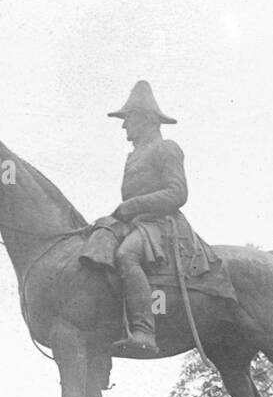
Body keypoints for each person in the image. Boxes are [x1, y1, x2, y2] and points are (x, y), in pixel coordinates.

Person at [82, 80, 219, 358]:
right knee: (98, 240)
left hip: (161, 225)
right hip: (137, 223)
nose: (124, 126)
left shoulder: (166, 148)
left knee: (126, 256)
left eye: (128, 119)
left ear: (145, 119)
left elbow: (177, 193)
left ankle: (144, 330)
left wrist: (131, 206)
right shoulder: (134, 156)